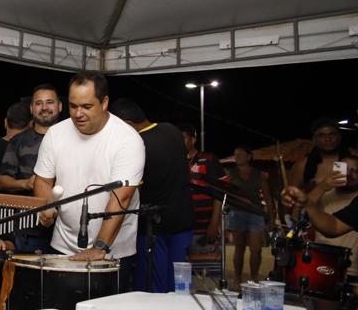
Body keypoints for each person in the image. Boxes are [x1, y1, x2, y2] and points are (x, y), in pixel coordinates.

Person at [34, 73, 144, 290]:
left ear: (104, 102)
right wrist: (46, 206)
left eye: (86, 106)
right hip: (63, 247)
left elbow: (121, 197)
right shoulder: (55, 134)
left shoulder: (127, 139)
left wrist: (100, 247)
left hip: (112, 253)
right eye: (73, 106)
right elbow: (43, 180)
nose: (78, 114)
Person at [109, 99, 195, 293]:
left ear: (126, 124)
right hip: (183, 221)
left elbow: (131, 190)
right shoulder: (171, 130)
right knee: (180, 287)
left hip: (154, 228)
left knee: (154, 290)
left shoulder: (137, 144)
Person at [0, 86, 62, 253]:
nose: (45, 107)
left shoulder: (71, 139)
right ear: (32, 108)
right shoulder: (18, 141)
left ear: (60, 106)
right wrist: (26, 183)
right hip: (30, 231)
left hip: (66, 229)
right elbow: (2, 181)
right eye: (39, 103)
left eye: (50, 102)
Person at [225, 145, 274, 285]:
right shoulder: (230, 173)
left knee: (256, 249)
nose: (237, 157)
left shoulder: (259, 174)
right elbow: (225, 193)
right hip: (237, 212)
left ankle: (254, 278)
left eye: (240, 154)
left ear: (249, 156)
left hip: (255, 213)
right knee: (239, 248)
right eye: (235, 154)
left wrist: (271, 217)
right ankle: (237, 279)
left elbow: (268, 196)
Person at [178, 121, 225, 255]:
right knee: (181, 266)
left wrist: (214, 223)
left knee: (203, 265)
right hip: (180, 229)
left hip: (203, 229)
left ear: (193, 140)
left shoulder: (208, 159)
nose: (179, 142)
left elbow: (220, 191)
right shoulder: (174, 161)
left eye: (183, 138)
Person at [287, 117, 344, 190]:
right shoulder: (303, 165)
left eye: (332, 134)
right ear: (314, 140)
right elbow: (292, 193)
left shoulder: (352, 160)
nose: (328, 139)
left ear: (339, 137)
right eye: (321, 135)